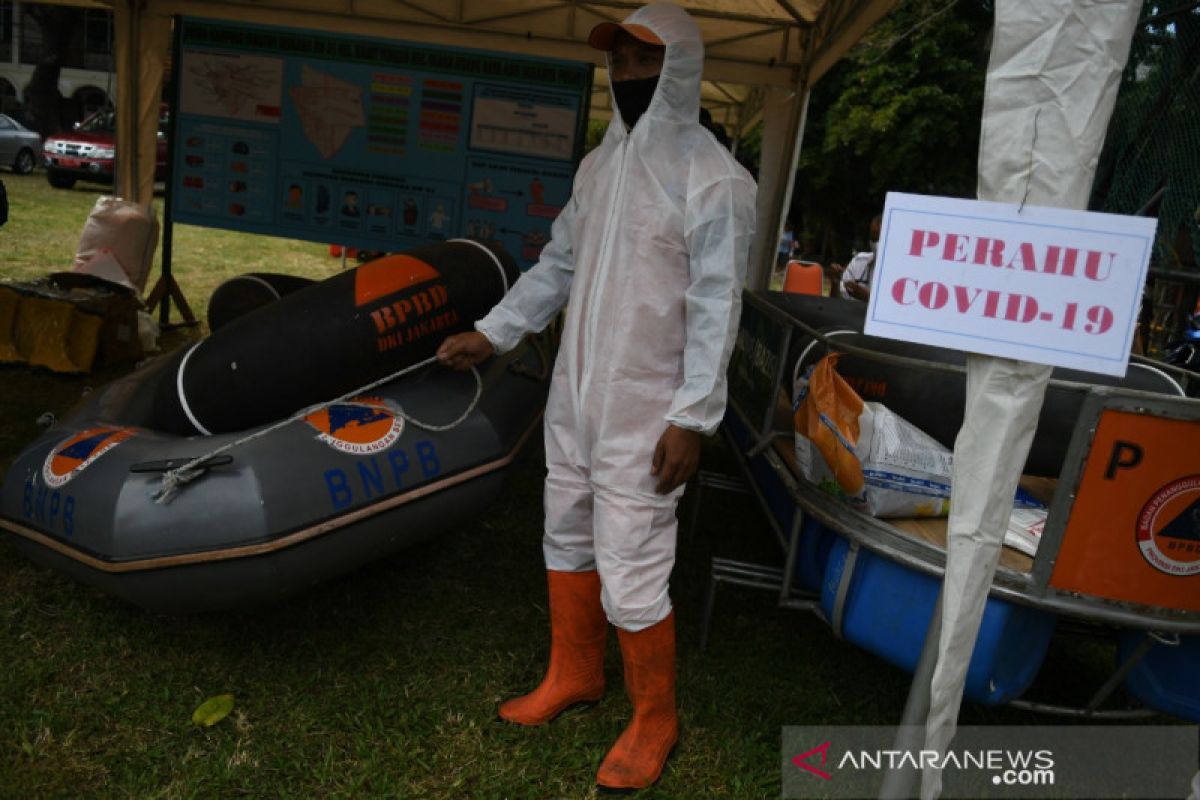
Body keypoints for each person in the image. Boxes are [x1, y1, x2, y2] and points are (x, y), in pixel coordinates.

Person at [436, 3, 755, 792]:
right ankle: (574, 673)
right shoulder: (599, 167)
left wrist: (693, 417)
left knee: (633, 557)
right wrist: (497, 330)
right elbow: (559, 264)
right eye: (619, 62)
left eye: (645, 62)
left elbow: (718, 307)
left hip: (648, 407)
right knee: (565, 527)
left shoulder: (715, 180)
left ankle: (656, 717)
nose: (628, 76)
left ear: (679, 67)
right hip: (577, 395)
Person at [831, 213, 881, 301]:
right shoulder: (859, 261)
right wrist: (835, 284)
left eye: (880, 238)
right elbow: (836, 304)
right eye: (873, 238)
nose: (876, 243)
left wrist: (868, 298)